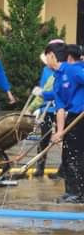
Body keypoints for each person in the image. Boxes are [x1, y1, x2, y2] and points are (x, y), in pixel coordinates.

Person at [48, 42, 84, 203]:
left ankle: (78, 193)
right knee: (68, 155)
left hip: (81, 116)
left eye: (46, 57)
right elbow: (60, 108)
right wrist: (59, 132)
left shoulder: (73, 69)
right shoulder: (56, 78)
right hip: (72, 118)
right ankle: (72, 191)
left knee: (76, 156)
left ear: (52, 56)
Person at [33, 40, 64, 178]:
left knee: (63, 141)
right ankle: (40, 167)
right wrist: (38, 106)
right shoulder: (46, 70)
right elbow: (43, 88)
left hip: (62, 111)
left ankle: (63, 170)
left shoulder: (65, 71)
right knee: (44, 138)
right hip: (47, 110)